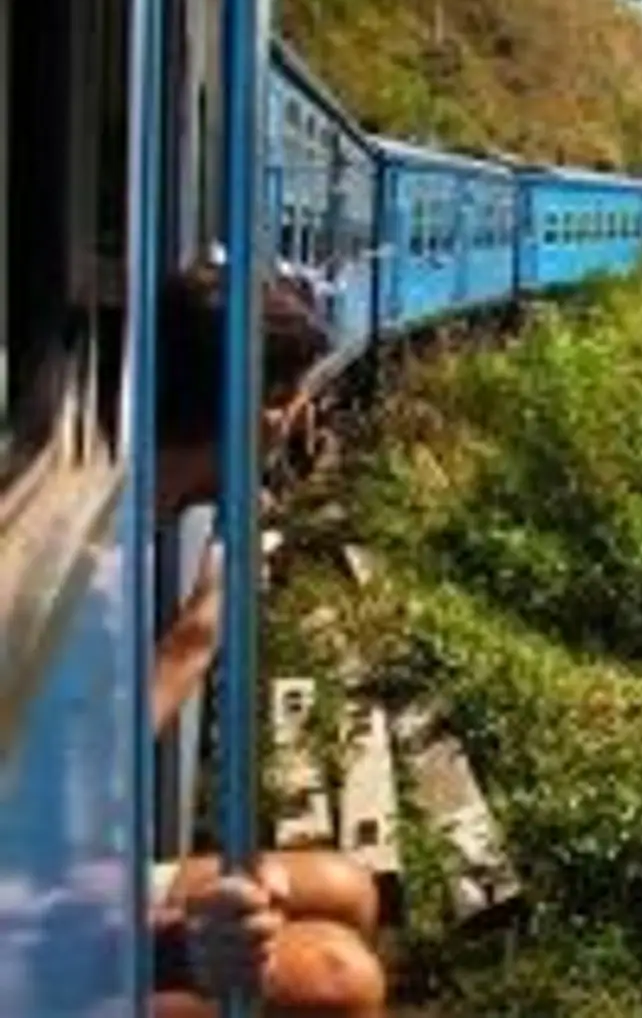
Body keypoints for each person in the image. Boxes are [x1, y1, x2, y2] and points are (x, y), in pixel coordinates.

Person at [146, 258, 387, 1017]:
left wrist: (204, 622)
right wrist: (169, 942)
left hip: (66, 878)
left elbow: (102, 736)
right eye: (286, 400)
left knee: (345, 887)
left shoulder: (137, 514)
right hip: (38, 928)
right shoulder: (73, 558)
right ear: (257, 412)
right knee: (339, 980)